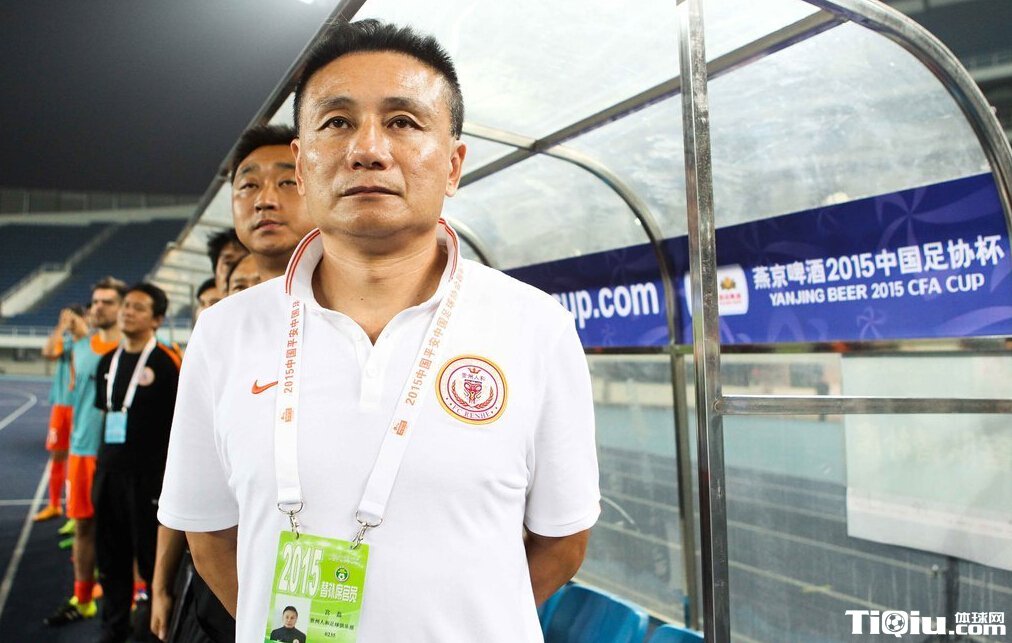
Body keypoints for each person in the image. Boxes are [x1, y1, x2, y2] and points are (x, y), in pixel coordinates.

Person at [158, 19, 599, 643]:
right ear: (302, 166)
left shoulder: (536, 326)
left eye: (403, 121)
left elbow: (562, 543)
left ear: (453, 165)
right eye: (337, 122)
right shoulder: (224, 333)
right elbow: (208, 537)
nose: (368, 148)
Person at [93, 283, 180, 643]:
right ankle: (113, 628)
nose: (128, 312)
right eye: (126, 305)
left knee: (150, 558)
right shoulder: (107, 362)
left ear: (157, 319)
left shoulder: (166, 362)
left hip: (149, 479)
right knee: (110, 557)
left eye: (139, 308)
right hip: (108, 474)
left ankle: (154, 631)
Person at [45, 278, 126, 627]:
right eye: (95, 301)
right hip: (82, 451)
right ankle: (83, 598)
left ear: (122, 307)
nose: (98, 307)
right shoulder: (79, 349)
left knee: (126, 530)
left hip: (122, 455)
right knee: (83, 528)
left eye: (108, 301)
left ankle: (134, 597)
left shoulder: (135, 348)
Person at [228, 124, 314, 279]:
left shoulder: (357, 291)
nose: (264, 201)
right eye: (249, 185)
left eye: (287, 182)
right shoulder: (240, 297)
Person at [35, 305, 89, 522]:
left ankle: (79, 514)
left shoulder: (91, 344)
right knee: (57, 454)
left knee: (81, 459)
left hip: (82, 407)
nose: (69, 322)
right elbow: (48, 352)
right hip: (61, 406)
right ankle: (54, 504)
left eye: (72, 318)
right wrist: (61, 327)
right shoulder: (65, 343)